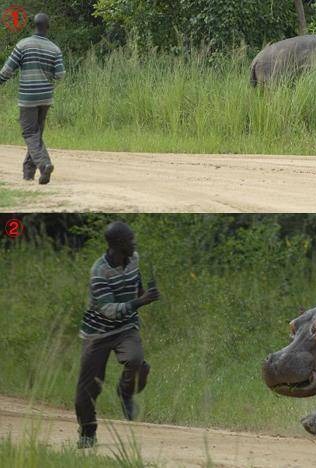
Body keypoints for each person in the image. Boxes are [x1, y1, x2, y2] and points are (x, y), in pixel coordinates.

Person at [75, 222, 160, 449]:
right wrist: (141, 301)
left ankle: (125, 393)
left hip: (125, 327)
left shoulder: (133, 259)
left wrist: (146, 293)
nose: (134, 244)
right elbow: (109, 310)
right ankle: (87, 433)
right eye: (130, 240)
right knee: (88, 387)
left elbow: (135, 284)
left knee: (135, 360)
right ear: (118, 245)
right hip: (97, 332)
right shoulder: (99, 271)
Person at [0, 13, 65, 184]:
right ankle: (29, 174)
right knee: (36, 135)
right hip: (45, 98)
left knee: (29, 133)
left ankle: (44, 164)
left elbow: (7, 70)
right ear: (48, 27)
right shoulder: (54, 48)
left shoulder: (23, 44)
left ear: (33, 26)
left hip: (28, 97)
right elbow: (60, 74)